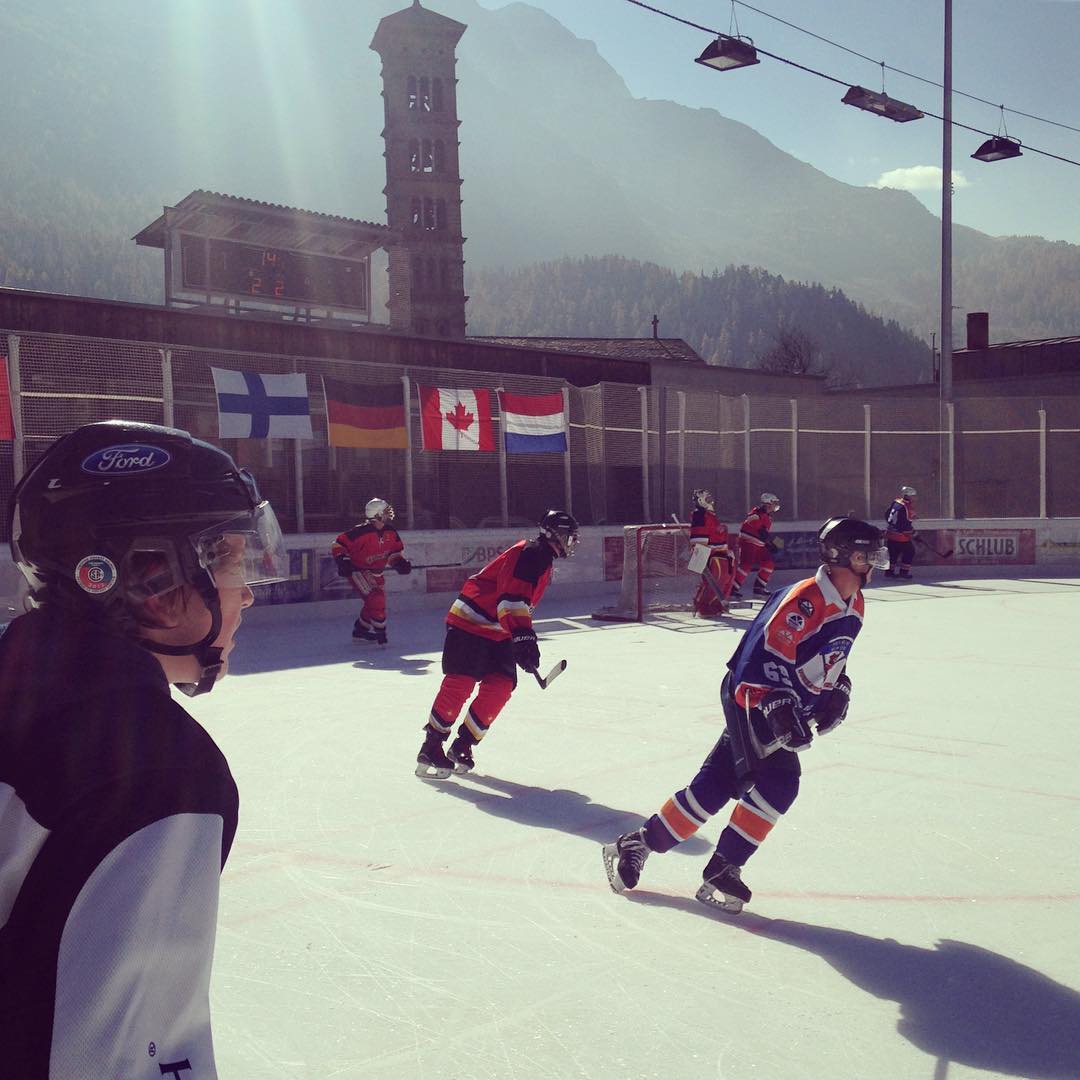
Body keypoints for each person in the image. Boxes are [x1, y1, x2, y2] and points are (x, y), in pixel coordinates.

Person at [0, 419, 287, 1077]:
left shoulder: (19, 687)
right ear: (152, 582)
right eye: (232, 559)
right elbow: (125, 1057)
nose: (245, 590)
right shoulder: (155, 770)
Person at [602, 516, 887, 913]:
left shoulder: (854, 604)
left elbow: (829, 658)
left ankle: (641, 844)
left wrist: (838, 688)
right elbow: (758, 658)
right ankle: (719, 866)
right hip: (752, 701)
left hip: (780, 707)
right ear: (846, 556)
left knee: (716, 786)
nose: (874, 563)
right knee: (778, 784)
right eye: (866, 555)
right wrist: (777, 705)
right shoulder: (803, 600)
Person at [416, 510, 579, 779]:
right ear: (555, 535)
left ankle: (463, 745)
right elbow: (511, 599)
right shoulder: (532, 554)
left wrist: (521, 636)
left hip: (499, 630)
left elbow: (518, 604)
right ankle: (431, 746)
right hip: (470, 623)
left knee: (501, 686)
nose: (571, 543)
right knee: (461, 682)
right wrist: (524, 636)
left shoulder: (543, 559)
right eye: (569, 538)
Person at [332, 497, 411, 644]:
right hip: (359, 571)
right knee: (376, 598)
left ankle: (360, 632)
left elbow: (394, 553)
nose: (389, 513)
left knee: (374, 603)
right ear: (378, 514)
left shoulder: (391, 532)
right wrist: (343, 561)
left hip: (377, 574)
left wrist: (399, 563)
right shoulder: (360, 532)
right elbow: (338, 544)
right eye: (386, 511)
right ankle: (380, 633)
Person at [688, 488, 734, 617]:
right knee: (714, 580)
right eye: (707, 499)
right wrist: (700, 557)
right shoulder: (699, 515)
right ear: (701, 501)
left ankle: (715, 604)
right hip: (710, 553)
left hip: (719, 552)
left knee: (723, 579)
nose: (710, 501)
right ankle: (703, 606)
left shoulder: (710, 515)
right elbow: (698, 536)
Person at [732, 492, 782, 599]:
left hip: (759, 544)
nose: (775, 505)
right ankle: (732, 589)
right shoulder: (756, 512)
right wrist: (770, 542)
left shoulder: (768, 517)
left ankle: (759, 589)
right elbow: (759, 529)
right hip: (748, 542)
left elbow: (764, 534)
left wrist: (770, 544)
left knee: (768, 563)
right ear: (768, 503)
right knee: (746, 565)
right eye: (774, 502)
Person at [885, 485, 917, 578]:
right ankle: (903, 573)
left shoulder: (896, 501)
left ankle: (889, 572)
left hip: (890, 534)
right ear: (908, 496)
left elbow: (887, 514)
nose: (915, 498)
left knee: (893, 554)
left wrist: (892, 526)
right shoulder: (908, 508)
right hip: (900, 537)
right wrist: (913, 533)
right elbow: (905, 526)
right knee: (910, 551)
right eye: (913, 496)